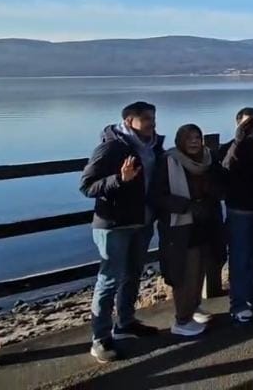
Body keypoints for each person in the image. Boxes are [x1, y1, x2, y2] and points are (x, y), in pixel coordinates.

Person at [79, 101, 163, 362]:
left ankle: (126, 322)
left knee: (133, 275)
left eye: (153, 118)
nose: (151, 123)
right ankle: (100, 339)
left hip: (143, 222)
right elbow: (87, 186)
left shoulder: (153, 146)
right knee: (108, 281)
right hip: (115, 226)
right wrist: (119, 179)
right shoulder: (111, 147)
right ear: (129, 121)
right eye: (146, 119)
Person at [150, 124, 226, 337]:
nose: (194, 141)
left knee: (201, 267)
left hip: (206, 221)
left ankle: (194, 307)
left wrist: (213, 193)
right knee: (184, 272)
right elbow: (157, 196)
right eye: (189, 138)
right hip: (180, 225)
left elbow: (221, 184)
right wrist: (186, 206)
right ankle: (182, 319)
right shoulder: (169, 160)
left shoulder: (208, 159)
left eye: (197, 137)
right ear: (179, 141)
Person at [218, 107, 253, 324]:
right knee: (240, 259)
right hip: (239, 210)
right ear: (238, 123)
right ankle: (238, 305)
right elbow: (226, 168)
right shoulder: (228, 148)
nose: (252, 126)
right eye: (248, 122)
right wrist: (238, 140)